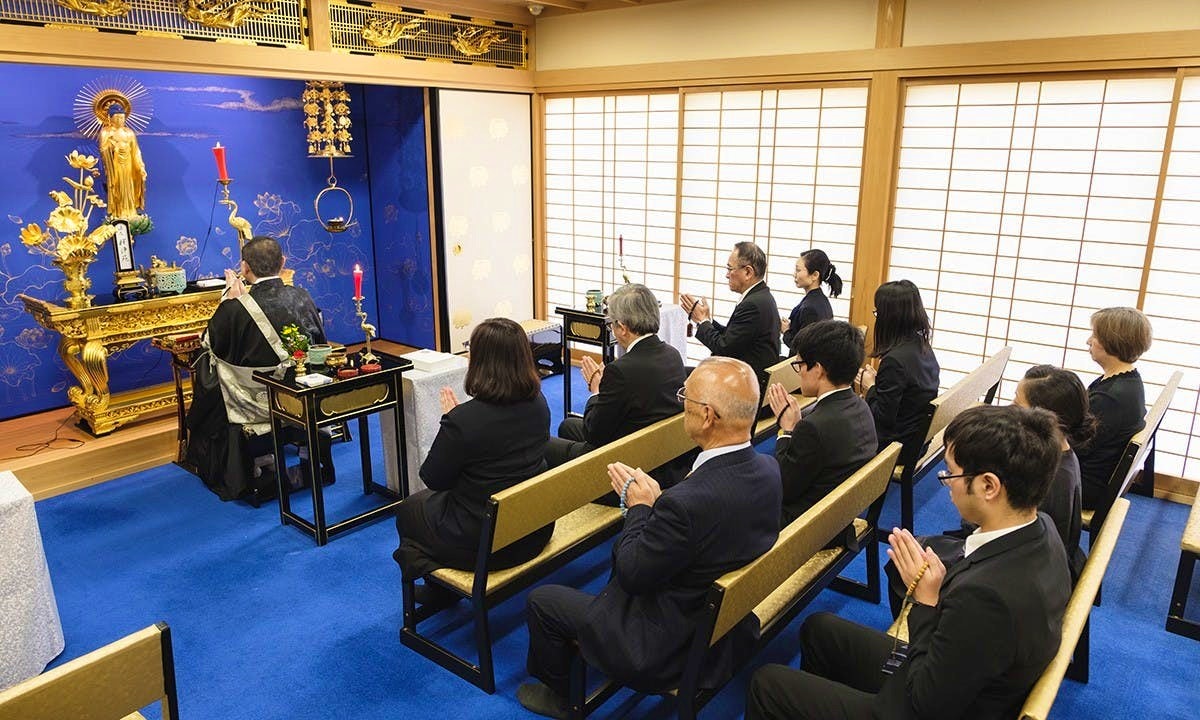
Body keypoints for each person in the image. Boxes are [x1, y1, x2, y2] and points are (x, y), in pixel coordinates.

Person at [746, 404, 1071, 720]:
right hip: (962, 676)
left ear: (988, 486)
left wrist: (926, 602)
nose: (947, 485)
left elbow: (923, 705)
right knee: (820, 630)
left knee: (769, 683)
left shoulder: (987, 599)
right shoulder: (1041, 527)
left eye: (952, 474)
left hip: (929, 703)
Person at [518, 357, 781, 719]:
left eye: (684, 400)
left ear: (707, 415)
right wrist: (661, 506)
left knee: (542, 601)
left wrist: (640, 508)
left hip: (665, 646)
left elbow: (632, 572)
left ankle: (563, 697)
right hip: (724, 626)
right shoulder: (768, 468)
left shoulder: (687, 504)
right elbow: (706, 523)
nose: (680, 405)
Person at [884, 364, 1095, 614]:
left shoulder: (1048, 481)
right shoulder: (1060, 454)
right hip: (1035, 557)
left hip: (1011, 564)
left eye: (1017, 406)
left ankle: (912, 626)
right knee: (915, 548)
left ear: (1044, 418)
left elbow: (997, 534)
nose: (1008, 410)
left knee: (907, 560)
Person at [393, 318, 553, 603]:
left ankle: (440, 590)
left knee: (410, 509)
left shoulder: (464, 421)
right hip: (534, 528)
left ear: (480, 362)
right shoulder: (538, 403)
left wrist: (451, 424)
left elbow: (434, 479)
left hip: (487, 543)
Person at [185, 236, 326, 503]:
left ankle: (259, 459)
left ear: (245, 268)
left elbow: (209, 344)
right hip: (300, 392)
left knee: (209, 371)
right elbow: (319, 341)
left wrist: (228, 298)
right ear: (283, 263)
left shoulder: (234, 308)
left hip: (254, 402)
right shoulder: (301, 296)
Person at [544, 284, 690, 487]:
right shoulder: (671, 354)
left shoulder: (620, 371)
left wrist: (597, 390)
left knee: (544, 447)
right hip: (662, 454)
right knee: (567, 425)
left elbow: (594, 433)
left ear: (622, 327)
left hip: (628, 465)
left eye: (611, 324)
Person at [767, 321, 876, 525]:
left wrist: (788, 430)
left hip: (809, 526)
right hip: (840, 516)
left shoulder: (813, 427)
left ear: (817, 369)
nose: (799, 372)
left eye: (799, 365)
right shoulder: (861, 407)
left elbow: (783, 488)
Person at [857, 280, 940, 467]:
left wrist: (870, 387)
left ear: (889, 317)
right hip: (917, 439)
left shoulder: (894, 360)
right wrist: (880, 384)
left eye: (877, 312)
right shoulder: (922, 345)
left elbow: (883, 419)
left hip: (897, 447)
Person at [679, 242, 781, 393]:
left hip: (749, 388)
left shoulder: (753, 304)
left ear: (748, 272)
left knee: (682, 378)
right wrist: (708, 321)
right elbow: (735, 335)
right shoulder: (762, 296)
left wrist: (702, 321)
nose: (727, 274)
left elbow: (724, 347)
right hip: (751, 377)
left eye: (729, 269)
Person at [1078, 307, 1152, 510]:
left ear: (1112, 342)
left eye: (1094, 335)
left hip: (1083, 485)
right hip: (1092, 472)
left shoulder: (1110, 397)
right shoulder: (1127, 379)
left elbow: (1075, 448)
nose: (1088, 341)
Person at [781, 249, 841, 349]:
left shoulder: (810, 308)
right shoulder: (821, 300)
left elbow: (802, 349)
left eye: (798, 270)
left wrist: (786, 331)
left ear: (815, 275)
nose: (794, 274)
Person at [98, 106, 147, 220]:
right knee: (118, 186)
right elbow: (103, 149)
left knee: (129, 186)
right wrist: (112, 147)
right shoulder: (106, 132)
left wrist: (140, 166)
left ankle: (130, 210)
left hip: (128, 164)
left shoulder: (129, 133)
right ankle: (119, 211)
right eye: (117, 117)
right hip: (115, 165)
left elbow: (136, 152)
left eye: (122, 117)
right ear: (110, 118)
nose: (120, 120)